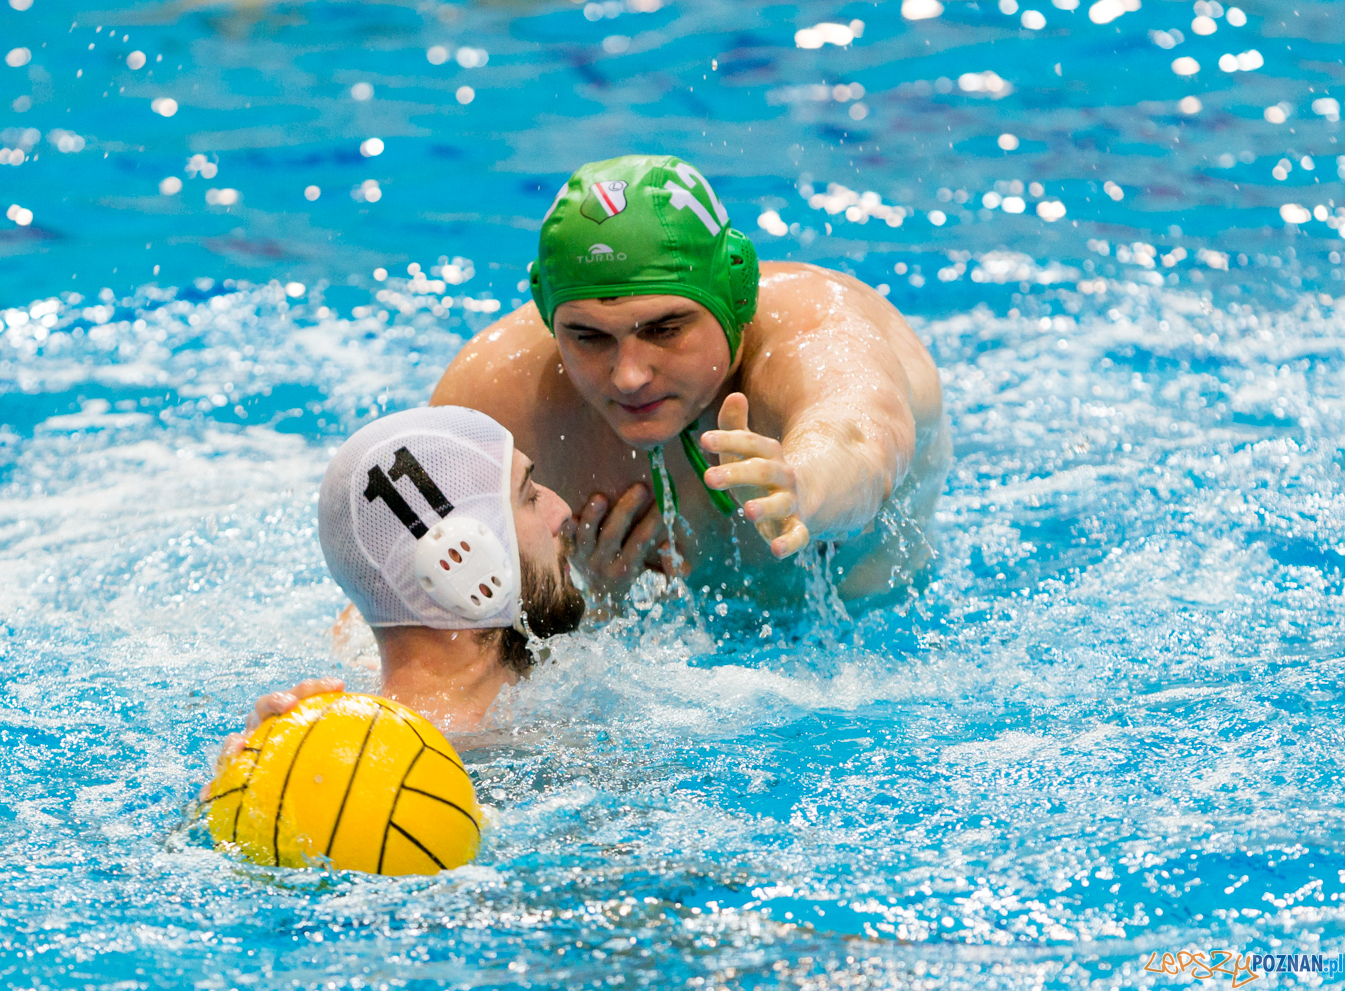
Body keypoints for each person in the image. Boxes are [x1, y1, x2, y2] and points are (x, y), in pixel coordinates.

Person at [430, 154, 951, 615]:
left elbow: (860, 435)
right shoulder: (497, 396)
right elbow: (407, 594)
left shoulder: (820, 331)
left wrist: (802, 487)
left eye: (665, 329)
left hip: (873, 637)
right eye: (588, 337)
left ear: (737, 295)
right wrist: (584, 607)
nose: (628, 375)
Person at [203, 406, 584, 791]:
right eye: (529, 496)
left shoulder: (370, 708)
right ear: (461, 560)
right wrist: (245, 792)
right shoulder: (397, 770)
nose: (562, 511)